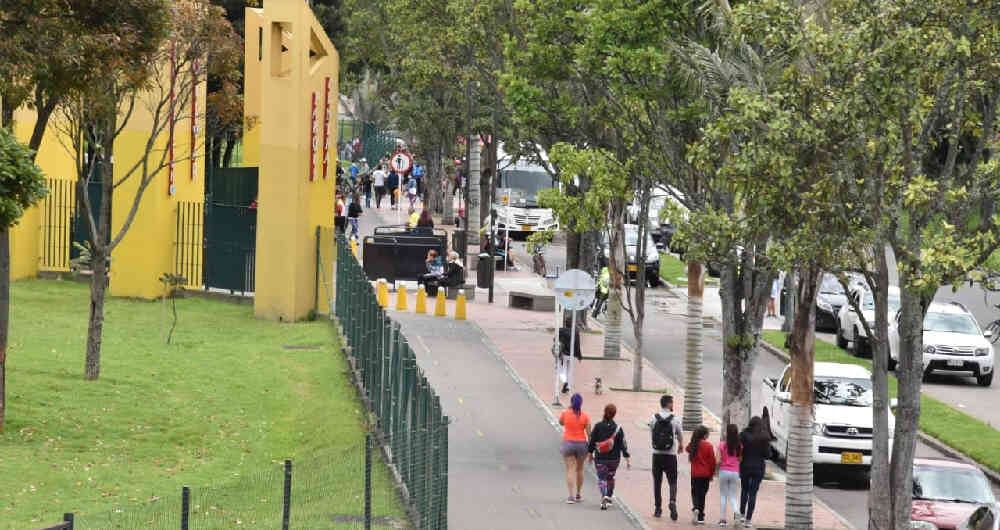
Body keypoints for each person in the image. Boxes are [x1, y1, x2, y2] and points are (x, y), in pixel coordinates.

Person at [587, 403, 630, 511]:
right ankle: (609, 497)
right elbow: (622, 445)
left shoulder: (598, 426)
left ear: (604, 412)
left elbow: (592, 441)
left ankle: (603, 497)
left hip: (600, 458)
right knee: (610, 477)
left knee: (602, 478)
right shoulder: (618, 428)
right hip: (614, 459)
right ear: (614, 414)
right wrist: (627, 457)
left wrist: (590, 454)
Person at [650, 395, 684, 520]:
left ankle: (658, 508)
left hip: (656, 454)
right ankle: (672, 501)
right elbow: (680, 434)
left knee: (657, 482)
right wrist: (680, 445)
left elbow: (652, 433)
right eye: (672, 402)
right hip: (670, 455)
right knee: (673, 481)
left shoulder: (654, 417)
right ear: (669, 404)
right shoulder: (675, 419)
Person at [559, 393, 590, 504]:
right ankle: (578, 494)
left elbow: (561, 422)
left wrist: (567, 410)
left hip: (568, 444)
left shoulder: (566, 414)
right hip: (581, 444)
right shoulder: (585, 416)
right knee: (580, 469)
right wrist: (591, 450)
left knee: (570, 469)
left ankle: (570, 496)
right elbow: (589, 434)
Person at [739, 417, 769, 528]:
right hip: (758, 468)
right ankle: (748, 520)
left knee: (744, 490)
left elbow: (738, 449)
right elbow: (767, 455)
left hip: (745, 466)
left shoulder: (743, 435)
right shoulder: (764, 437)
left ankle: (741, 514)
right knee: (753, 493)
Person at [687, 425, 716, 525]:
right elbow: (713, 462)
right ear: (704, 435)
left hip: (695, 474)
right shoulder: (708, 446)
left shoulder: (693, 444)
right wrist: (712, 475)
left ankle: (695, 508)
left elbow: (687, 449)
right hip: (705, 474)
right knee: (702, 495)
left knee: (694, 493)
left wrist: (693, 441)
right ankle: (700, 517)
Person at [717, 423, 742, 526]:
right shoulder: (740, 446)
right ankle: (736, 512)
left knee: (723, 496)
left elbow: (717, 460)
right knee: (733, 496)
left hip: (723, 471)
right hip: (735, 472)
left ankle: (722, 520)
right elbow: (740, 459)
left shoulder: (722, 445)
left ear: (727, 433)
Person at [557, 321, 582, 394]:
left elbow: (555, 339)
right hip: (572, 354)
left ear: (565, 323)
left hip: (564, 354)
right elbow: (578, 345)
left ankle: (564, 382)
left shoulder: (561, 330)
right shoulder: (576, 332)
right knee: (569, 371)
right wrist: (579, 356)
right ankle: (568, 387)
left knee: (562, 369)